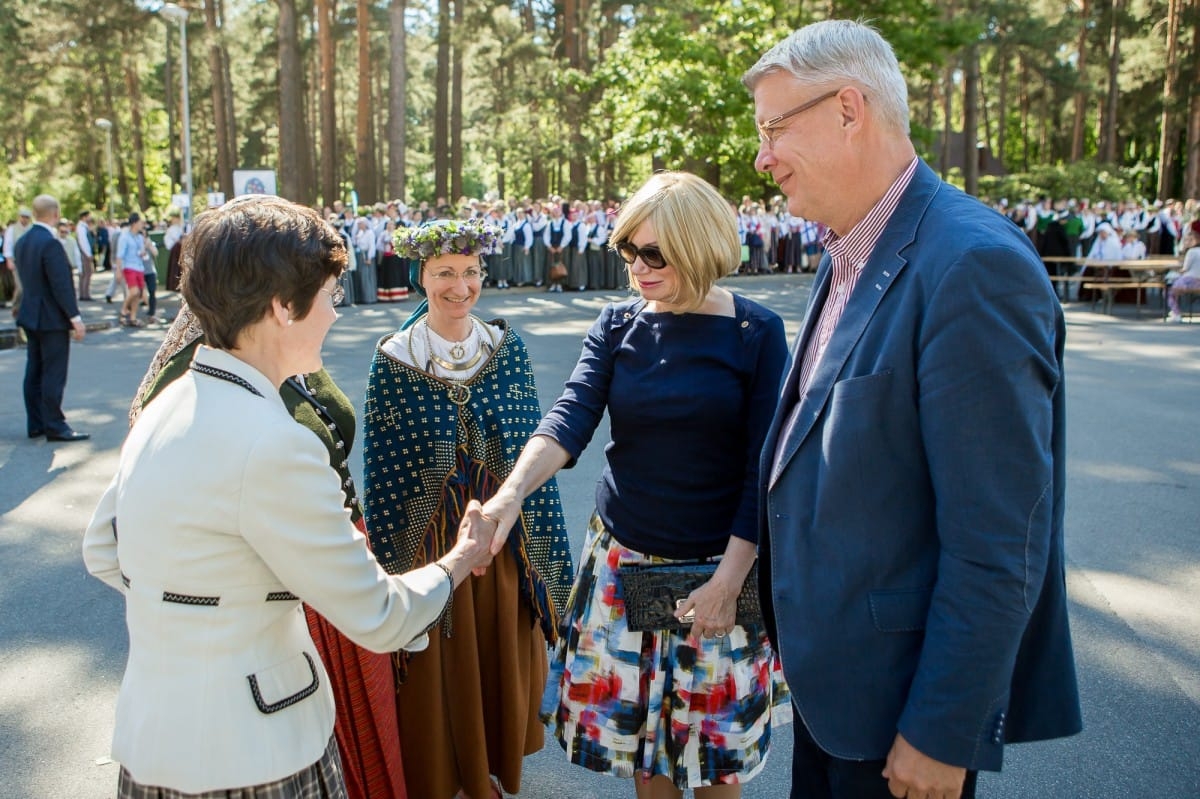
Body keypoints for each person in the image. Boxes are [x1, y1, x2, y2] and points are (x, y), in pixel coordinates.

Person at [744, 20, 1082, 799]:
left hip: (901, 721)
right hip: (837, 700)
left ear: (849, 110)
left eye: (774, 128)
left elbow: (1000, 537)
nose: (763, 157)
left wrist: (942, 728)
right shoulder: (852, 248)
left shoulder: (972, 264)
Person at [82, 195, 494, 798]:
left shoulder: (165, 404)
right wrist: (460, 558)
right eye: (330, 297)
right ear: (282, 307)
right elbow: (379, 616)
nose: (335, 315)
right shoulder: (277, 443)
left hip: (153, 737)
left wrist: (198, 603)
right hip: (257, 752)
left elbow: (102, 550)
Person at [470, 171, 792, 799]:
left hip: (719, 567)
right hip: (625, 560)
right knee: (646, 754)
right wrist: (509, 495)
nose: (636, 267)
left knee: (713, 759)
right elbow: (569, 418)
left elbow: (765, 471)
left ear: (699, 248)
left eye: (654, 254)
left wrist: (728, 583)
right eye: (627, 249)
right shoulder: (618, 324)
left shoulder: (756, 334)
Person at [361, 218, 574, 799]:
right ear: (420, 278)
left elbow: (529, 448)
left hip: (503, 545)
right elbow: (385, 472)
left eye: (470, 272)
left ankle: (490, 768)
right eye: (444, 274)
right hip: (430, 547)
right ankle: (445, 775)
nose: (460, 286)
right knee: (442, 664)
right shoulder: (395, 359)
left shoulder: (507, 351)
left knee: (499, 650)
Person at [15, 195, 88, 442]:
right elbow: (61, 285)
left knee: (33, 369)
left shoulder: (23, 241)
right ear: (55, 213)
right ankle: (55, 425)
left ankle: (36, 422)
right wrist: (74, 317)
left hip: (30, 313)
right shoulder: (51, 244)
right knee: (53, 372)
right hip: (51, 317)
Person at [116, 213, 147, 327]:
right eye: (140, 223)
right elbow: (120, 255)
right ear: (134, 223)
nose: (142, 225)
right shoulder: (124, 237)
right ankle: (124, 309)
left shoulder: (139, 237)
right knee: (134, 291)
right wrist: (119, 270)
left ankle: (133, 316)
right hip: (129, 266)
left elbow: (141, 251)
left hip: (139, 266)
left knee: (138, 294)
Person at [1167, 224, 1200, 322]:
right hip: (1196, 280)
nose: (1186, 242)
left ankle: (1176, 312)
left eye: (1189, 240)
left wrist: (1174, 269)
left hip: (1190, 281)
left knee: (1169, 290)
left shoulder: (1192, 252)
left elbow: (1185, 269)